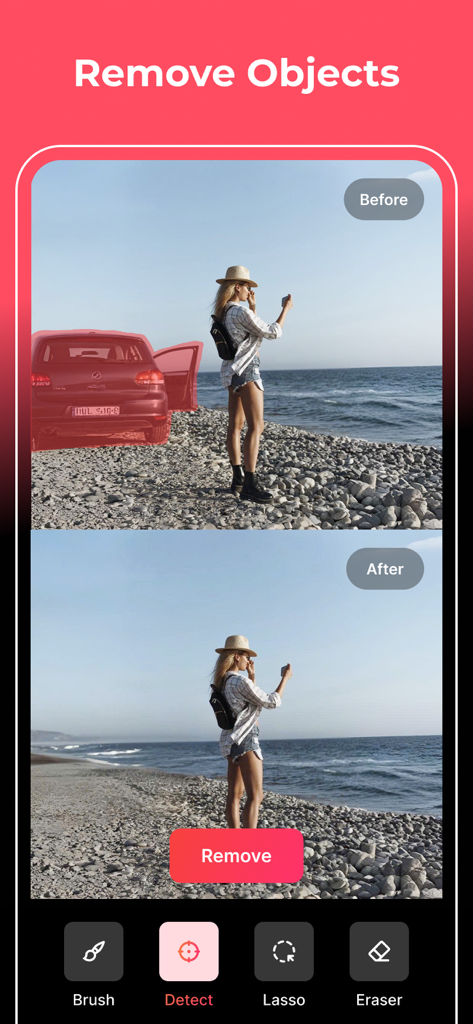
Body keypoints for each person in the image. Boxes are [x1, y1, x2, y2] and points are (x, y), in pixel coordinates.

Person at [213, 266, 293, 503]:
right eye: (247, 286)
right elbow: (272, 332)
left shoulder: (225, 312)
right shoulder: (239, 312)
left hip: (231, 372)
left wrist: (254, 308)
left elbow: (248, 336)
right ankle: (250, 484)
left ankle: (237, 479)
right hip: (247, 371)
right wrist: (285, 309)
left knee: (235, 427)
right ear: (237, 287)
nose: (249, 290)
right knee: (256, 427)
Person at [212, 635, 293, 829]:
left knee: (234, 796)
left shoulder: (223, 682)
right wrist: (285, 679)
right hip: (247, 739)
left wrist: (252, 678)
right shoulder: (239, 682)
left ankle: (236, 842)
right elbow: (271, 702)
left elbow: (246, 703)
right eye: (246, 656)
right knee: (256, 796)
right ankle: (249, 845)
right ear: (237, 656)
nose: (248, 660)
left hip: (232, 741)